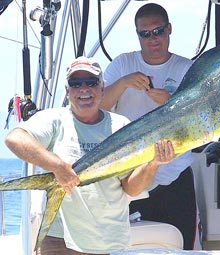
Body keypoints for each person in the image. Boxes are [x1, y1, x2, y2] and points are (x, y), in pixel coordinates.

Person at [4, 56, 175, 255]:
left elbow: (130, 187)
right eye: (76, 83)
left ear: (102, 88)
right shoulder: (54, 120)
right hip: (59, 239)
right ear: (67, 91)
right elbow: (14, 138)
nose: (84, 88)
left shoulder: (120, 126)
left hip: (107, 241)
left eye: (91, 82)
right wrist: (57, 166)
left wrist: (153, 164)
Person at [99, 3, 199, 250]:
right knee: (126, 247)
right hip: (129, 178)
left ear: (169, 29)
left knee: (179, 246)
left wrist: (171, 101)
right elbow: (98, 106)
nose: (153, 39)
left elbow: (199, 118)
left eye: (158, 31)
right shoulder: (123, 64)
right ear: (137, 35)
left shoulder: (187, 69)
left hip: (174, 176)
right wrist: (123, 83)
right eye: (145, 34)